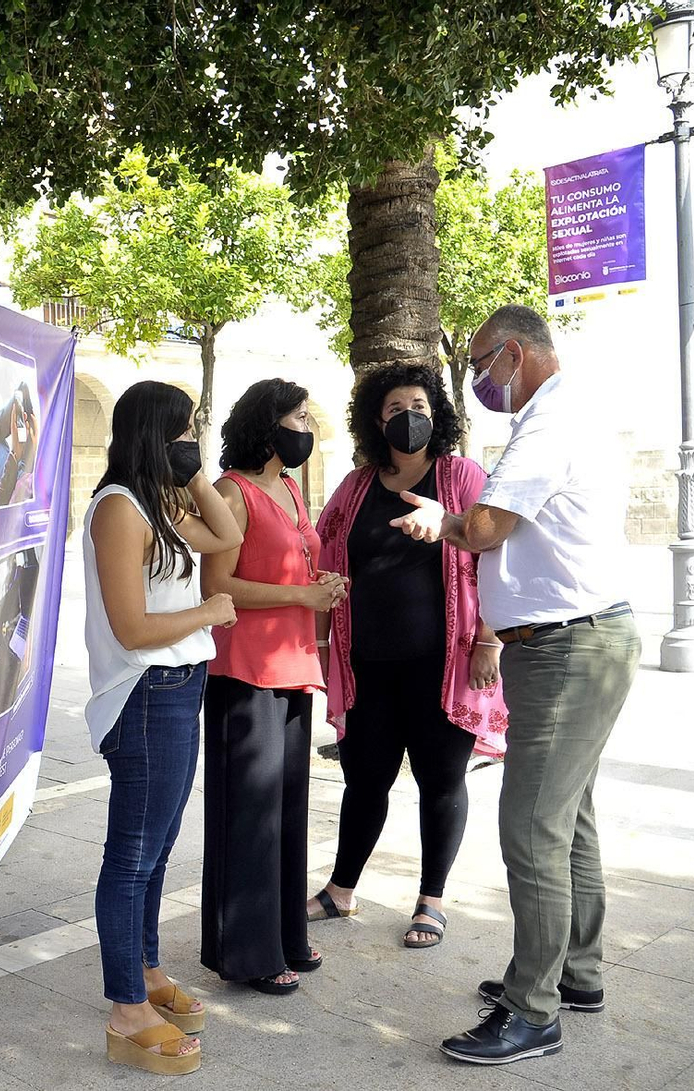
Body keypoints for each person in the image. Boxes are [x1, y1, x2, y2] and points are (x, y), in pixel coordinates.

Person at [390, 306, 640, 1066]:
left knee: (532, 827)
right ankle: (575, 974)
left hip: (568, 646)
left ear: (517, 351)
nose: (479, 379)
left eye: (482, 363)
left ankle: (534, 1011)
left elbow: (491, 526)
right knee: (571, 818)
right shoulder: (563, 416)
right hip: (572, 641)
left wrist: (446, 519)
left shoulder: (549, 422)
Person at [309, 363, 509, 949]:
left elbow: (495, 557)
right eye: (395, 408)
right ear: (377, 419)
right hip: (368, 663)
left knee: (439, 780)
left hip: (443, 665)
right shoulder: (356, 485)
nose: (408, 416)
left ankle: (431, 900)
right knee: (363, 781)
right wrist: (323, 644)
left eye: (418, 406)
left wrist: (488, 642)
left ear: (436, 413)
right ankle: (341, 890)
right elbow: (326, 557)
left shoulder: (460, 477)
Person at [84, 380, 242, 1075]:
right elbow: (132, 626)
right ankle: (125, 1009)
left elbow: (228, 534)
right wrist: (209, 613)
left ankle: (145, 969)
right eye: (181, 434)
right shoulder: (119, 509)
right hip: (146, 692)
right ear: (152, 434)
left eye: (194, 433)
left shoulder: (164, 500)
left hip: (180, 687)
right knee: (133, 856)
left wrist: (196, 472)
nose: (190, 443)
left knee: (158, 846)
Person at [198, 379, 345, 994]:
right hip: (243, 673)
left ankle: (284, 935)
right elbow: (217, 587)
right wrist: (301, 595)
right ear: (267, 422)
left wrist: (323, 582)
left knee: (284, 814)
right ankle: (246, 954)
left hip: (292, 667)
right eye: (297, 417)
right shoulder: (233, 492)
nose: (306, 428)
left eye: (309, 418)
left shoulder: (288, 487)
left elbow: (293, 564)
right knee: (248, 818)